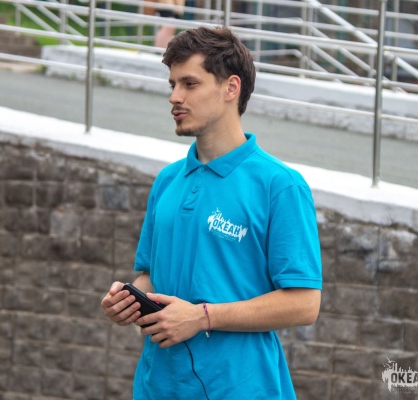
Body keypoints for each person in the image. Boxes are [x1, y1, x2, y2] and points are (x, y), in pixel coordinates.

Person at [100, 26, 322, 400]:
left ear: (231, 88)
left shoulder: (280, 185)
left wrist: (202, 317)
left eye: (190, 83)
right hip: (157, 387)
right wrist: (128, 298)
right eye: (173, 84)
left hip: (242, 389)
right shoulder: (167, 181)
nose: (174, 96)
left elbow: (304, 304)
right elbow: (151, 276)